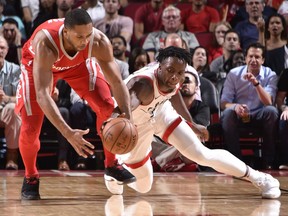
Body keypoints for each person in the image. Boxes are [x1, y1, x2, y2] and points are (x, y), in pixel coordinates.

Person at [104, 46, 281, 199]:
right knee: (144, 187)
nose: (175, 76)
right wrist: (113, 118)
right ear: (159, 67)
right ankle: (114, 172)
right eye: (171, 70)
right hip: (134, 123)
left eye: (180, 73)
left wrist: (191, 123)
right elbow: (127, 103)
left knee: (202, 154)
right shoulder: (143, 84)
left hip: (160, 112)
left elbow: (175, 95)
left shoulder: (175, 76)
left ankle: (260, 178)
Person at [15, 8, 135, 200]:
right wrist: (68, 133)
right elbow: (43, 95)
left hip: (78, 65)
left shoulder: (98, 41)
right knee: (29, 129)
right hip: (37, 66)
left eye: (88, 35)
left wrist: (128, 116)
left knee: (106, 106)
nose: (84, 41)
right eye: (79, 36)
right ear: (65, 32)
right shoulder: (46, 43)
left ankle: (112, 165)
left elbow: (117, 82)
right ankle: (31, 177)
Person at [220, 42, 278, 170]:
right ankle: (236, 162)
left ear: (263, 60)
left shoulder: (270, 75)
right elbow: (224, 103)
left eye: (257, 57)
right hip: (240, 114)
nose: (253, 60)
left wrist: (255, 83)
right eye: (250, 56)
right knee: (228, 113)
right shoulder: (234, 74)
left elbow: (269, 102)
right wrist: (236, 107)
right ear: (245, 58)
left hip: (260, 115)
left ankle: (268, 162)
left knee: (271, 111)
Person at [0, 35, 21, 170]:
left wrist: (5, 97)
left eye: (2, 48)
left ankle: (12, 156)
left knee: (13, 108)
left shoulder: (15, 69)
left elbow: (21, 97)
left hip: (5, 111)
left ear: (7, 50)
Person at [275, 68, 288, 170]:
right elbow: (279, 98)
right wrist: (284, 108)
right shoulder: (287, 73)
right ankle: (286, 160)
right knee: (284, 118)